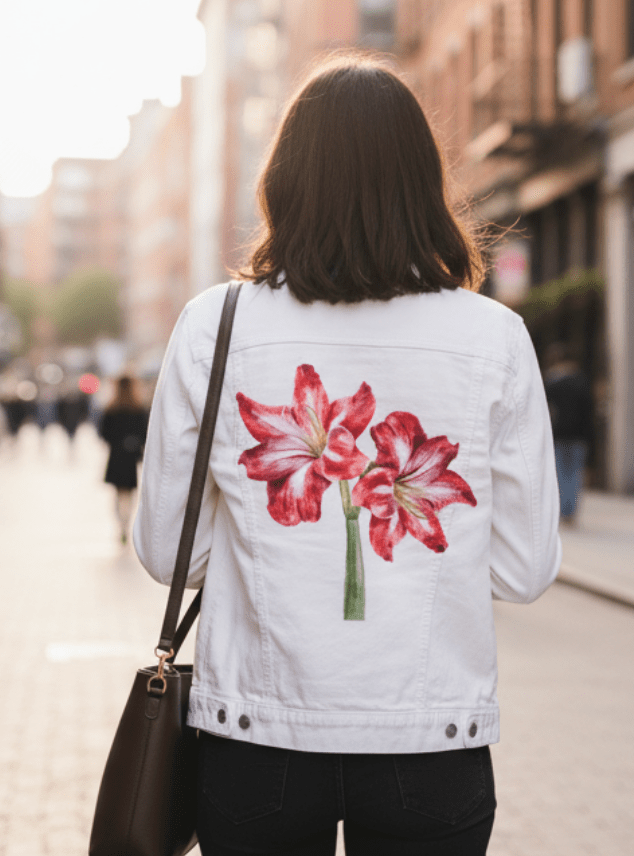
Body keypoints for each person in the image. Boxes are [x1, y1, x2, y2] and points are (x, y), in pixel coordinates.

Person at [134, 57, 561, 856]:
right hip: (432, 739)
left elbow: (167, 551)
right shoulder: (494, 335)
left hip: (255, 738)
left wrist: (269, 554)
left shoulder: (212, 324)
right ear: (422, 182)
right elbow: (523, 570)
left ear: (284, 180)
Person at [543, 343, 595, 526]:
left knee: (560, 473)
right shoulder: (581, 381)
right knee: (575, 473)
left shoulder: (552, 382)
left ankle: (562, 509)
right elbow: (589, 411)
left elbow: (544, 410)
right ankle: (570, 510)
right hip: (579, 435)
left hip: (558, 434)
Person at [100, 375, 148, 544]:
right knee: (130, 493)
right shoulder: (138, 409)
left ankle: (121, 524)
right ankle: (126, 523)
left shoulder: (111, 409)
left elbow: (103, 434)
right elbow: (145, 434)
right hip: (131, 458)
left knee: (118, 493)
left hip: (115, 456)